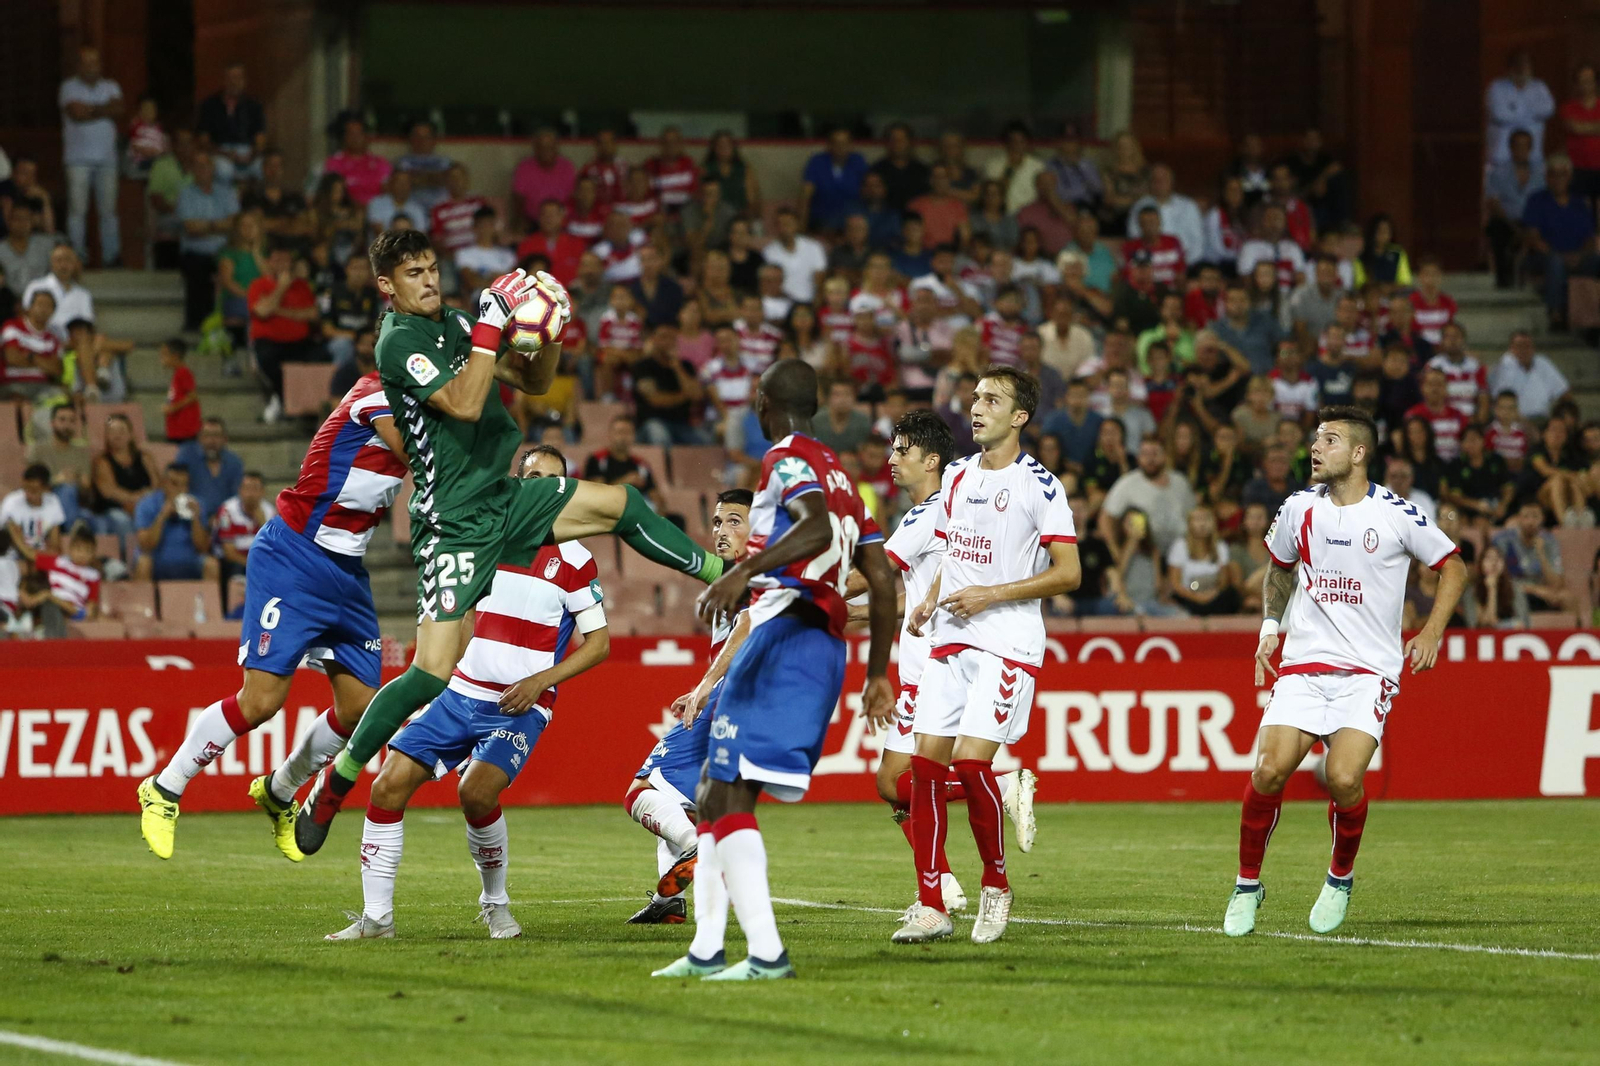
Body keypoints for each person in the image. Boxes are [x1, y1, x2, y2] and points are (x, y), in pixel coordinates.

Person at [292, 232, 725, 853]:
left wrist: (545, 334)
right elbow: (466, 405)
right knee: (429, 673)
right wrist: (494, 324)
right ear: (387, 285)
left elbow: (532, 381)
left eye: (433, 268)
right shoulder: (398, 342)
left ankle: (724, 572)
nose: (430, 280)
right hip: (453, 522)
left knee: (623, 503)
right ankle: (336, 779)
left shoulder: (458, 322)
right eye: (414, 273)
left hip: (503, 498)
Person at [650, 358, 895, 980]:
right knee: (713, 793)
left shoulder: (785, 459)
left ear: (764, 403)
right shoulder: (844, 477)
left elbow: (812, 532)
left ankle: (766, 953)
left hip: (790, 636)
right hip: (804, 644)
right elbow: (884, 579)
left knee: (727, 795)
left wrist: (744, 572)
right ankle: (707, 948)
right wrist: (876, 673)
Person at [326, 444, 611, 941]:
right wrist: (440, 672)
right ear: (516, 481)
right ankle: (376, 920)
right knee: (386, 786)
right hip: (460, 693)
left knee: (475, 791)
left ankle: (495, 903)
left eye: (554, 478)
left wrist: (540, 682)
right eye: (534, 475)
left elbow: (600, 644)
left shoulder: (574, 557)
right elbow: (461, 617)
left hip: (520, 703)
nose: (544, 484)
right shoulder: (482, 540)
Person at [135, 370, 409, 860]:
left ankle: (281, 790)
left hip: (347, 571)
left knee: (359, 710)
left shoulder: (427, 412)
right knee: (261, 701)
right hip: (295, 557)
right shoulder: (376, 393)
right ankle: (165, 786)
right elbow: (417, 455)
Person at [1226, 406, 1466, 938]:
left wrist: (1430, 632)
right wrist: (1270, 625)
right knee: (1267, 771)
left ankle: (1339, 876)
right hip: (1306, 664)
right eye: (1315, 440)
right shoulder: (1298, 508)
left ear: (1358, 454)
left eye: (1329, 441)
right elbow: (1280, 569)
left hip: (1367, 671)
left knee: (1343, 777)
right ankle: (1247, 884)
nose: (1315, 448)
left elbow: (1454, 565)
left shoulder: (1395, 514)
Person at [891, 366, 1078, 946]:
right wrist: (925, 602)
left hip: (1007, 642)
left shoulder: (1040, 486)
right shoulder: (956, 477)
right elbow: (951, 550)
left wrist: (991, 594)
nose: (976, 407)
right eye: (974, 398)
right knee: (922, 772)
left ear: (1019, 416)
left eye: (992, 400)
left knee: (972, 766)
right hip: (949, 637)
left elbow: (1068, 573)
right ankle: (931, 905)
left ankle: (996, 885)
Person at [625, 489, 753, 925]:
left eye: (735, 521)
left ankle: (702, 848)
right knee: (680, 799)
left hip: (731, 698)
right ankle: (668, 902)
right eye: (717, 522)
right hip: (731, 699)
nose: (721, 531)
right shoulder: (731, 582)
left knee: (642, 790)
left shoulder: (758, 578)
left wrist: (706, 685)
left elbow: (751, 626)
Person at [59, 46, 123, 266]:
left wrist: (91, 110)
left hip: (107, 159)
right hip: (77, 160)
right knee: (77, 211)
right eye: (86, 63)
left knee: (109, 212)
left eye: (95, 62)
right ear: (78, 66)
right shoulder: (68, 87)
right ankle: (77, 257)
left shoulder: (111, 86)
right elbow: (76, 114)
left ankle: (111, 257)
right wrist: (103, 109)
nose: (91, 67)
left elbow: (119, 109)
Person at [1522, 154, 1598, 330]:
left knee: (1596, 260)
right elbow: (1533, 237)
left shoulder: (1579, 204)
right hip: (1543, 257)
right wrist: (1560, 256)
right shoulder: (1537, 200)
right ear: (1547, 177)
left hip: (1578, 257)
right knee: (1555, 263)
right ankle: (1556, 315)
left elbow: (1589, 239)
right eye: (1553, 174)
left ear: (1570, 177)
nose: (1558, 179)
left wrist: (1579, 255)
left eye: (1562, 174)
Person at [247, 240, 320, 423]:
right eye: (277, 260)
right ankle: (283, 401)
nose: (281, 265)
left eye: (285, 261)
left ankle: (306, 412)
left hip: (299, 341)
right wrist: (282, 287)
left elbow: (312, 314)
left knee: (317, 358)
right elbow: (262, 311)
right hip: (269, 341)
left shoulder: (302, 286)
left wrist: (278, 310)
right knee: (268, 359)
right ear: (269, 262)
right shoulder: (258, 285)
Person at [133, 463, 217, 581]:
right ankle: (142, 600)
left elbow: (203, 548)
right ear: (164, 483)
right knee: (143, 563)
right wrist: (162, 516)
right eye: (174, 484)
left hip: (189, 560)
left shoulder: (197, 504)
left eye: (184, 485)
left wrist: (195, 519)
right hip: (156, 561)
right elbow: (146, 546)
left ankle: (209, 600)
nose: (180, 490)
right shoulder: (146, 504)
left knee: (211, 564)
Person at [1485, 129, 1545, 288]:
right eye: (1517, 146)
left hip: (1535, 222)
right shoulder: (1498, 172)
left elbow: (1546, 201)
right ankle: (1504, 279)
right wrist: (1514, 227)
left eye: (1525, 146)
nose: (1521, 150)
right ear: (1511, 147)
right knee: (1496, 228)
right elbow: (1492, 202)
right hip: (1507, 221)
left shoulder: (1541, 173)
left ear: (1531, 148)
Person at [196, 63, 267, 183]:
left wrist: (251, 155)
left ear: (244, 80)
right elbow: (204, 140)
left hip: (247, 151)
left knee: (261, 168)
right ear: (224, 80)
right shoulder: (210, 105)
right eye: (231, 78)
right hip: (220, 152)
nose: (234, 82)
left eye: (238, 78)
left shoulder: (254, 105)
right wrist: (226, 154)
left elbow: (260, 139)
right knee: (224, 171)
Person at [1486, 49, 1555, 165]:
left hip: (1533, 156)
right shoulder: (1496, 87)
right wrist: (1531, 114)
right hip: (1502, 156)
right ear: (1510, 67)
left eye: (1526, 64)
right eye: (1518, 65)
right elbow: (1500, 115)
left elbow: (1548, 110)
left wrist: (1514, 110)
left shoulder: (1540, 87)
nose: (1522, 69)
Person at [1490, 329, 1569, 420]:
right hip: (1513, 421)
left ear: (1533, 348)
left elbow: (1564, 393)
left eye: (1527, 346)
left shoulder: (1543, 364)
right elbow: (1498, 402)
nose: (1523, 350)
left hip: (1542, 419)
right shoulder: (1503, 367)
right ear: (1511, 349)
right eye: (1519, 346)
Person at [176, 417, 244, 521]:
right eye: (206, 435)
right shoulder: (186, 457)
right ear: (199, 438)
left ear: (225, 439)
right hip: (192, 517)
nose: (211, 441)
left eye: (216, 436)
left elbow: (236, 497)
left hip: (225, 519)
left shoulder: (234, 462)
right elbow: (178, 490)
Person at [762, 207, 827, 304]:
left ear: (796, 225)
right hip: (781, 303)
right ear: (776, 227)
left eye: (788, 224)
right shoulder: (769, 252)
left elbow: (820, 279)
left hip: (808, 302)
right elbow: (769, 284)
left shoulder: (814, 247)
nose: (784, 228)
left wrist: (816, 301)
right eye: (781, 225)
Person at [323, 116, 390, 207]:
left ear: (366, 137)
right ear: (344, 138)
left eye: (359, 134)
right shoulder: (334, 162)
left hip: (376, 213)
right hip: (345, 212)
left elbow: (388, 192)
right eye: (351, 134)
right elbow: (331, 194)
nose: (355, 138)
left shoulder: (380, 163)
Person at [2, 464, 65, 557]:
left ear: (45, 489)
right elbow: (19, 546)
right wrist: (40, 559)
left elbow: (55, 545)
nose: (28, 494)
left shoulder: (53, 502)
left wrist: (47, 556)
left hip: (39, 553)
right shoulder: (12, 503)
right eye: (26, 488)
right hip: (13, 555)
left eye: (34, 490)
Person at [394, 119, 453, 212]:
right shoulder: (402, 162)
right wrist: (430, 177)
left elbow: (445, 180)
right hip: (410, 211)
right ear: (410, 139)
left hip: (441, 211)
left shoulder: (444, 161)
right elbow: (401, 183)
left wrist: (416, 177)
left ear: (434, 140)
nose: (421, 141)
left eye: (426, 137)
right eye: (417, 137)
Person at [811, 376, 873, 454]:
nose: (842, 399)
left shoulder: (863, 422)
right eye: (837, 395)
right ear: (829, 398)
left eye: (847, 394)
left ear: (854, 397)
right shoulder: (816, 421)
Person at [159, 337, 200, 445]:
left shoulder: (184, 373)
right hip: (176, 429)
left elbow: (192, 396)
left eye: (164, 354)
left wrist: (173, 407)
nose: (161, 358)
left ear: (175, 356)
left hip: (184, 430)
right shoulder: (177, 374)